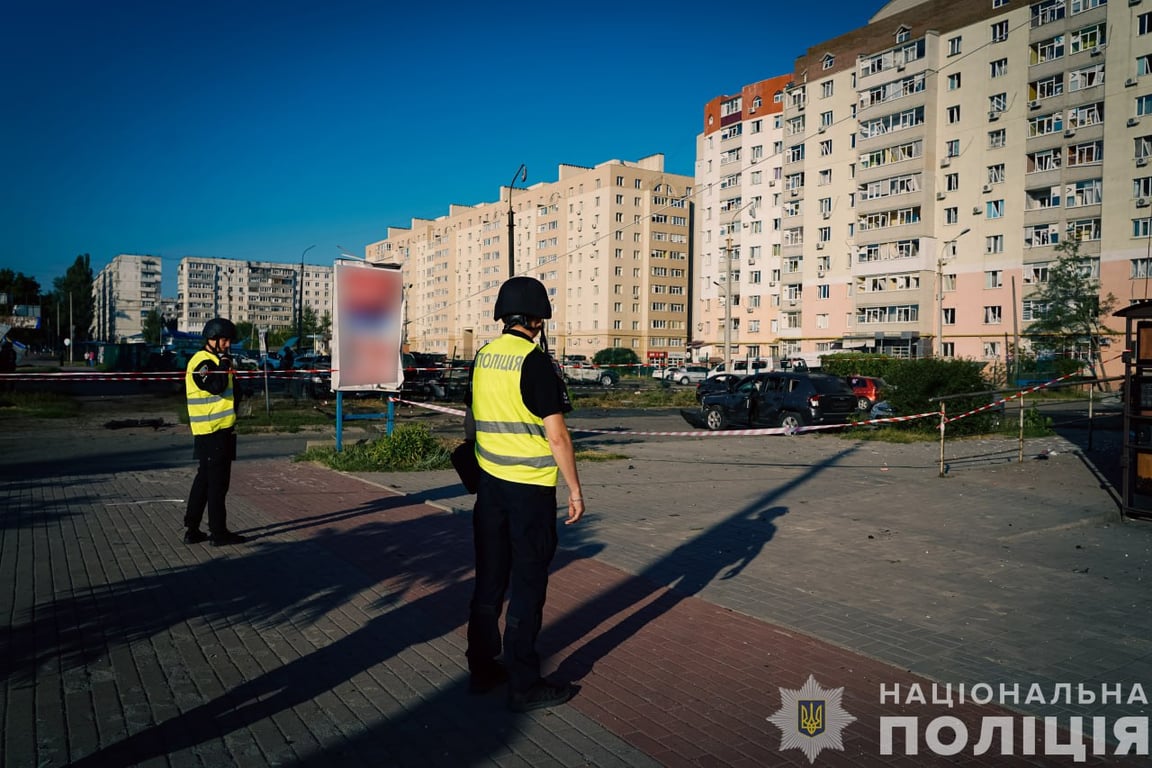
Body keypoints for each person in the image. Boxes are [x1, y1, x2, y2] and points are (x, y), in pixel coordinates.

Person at [465, 276, 585, 713]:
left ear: (503, 315)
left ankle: (482, 669)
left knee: (489, 582)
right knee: (528, 584)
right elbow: (557, 436)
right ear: (538, 319)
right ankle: (524, 682)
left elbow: (473, 417)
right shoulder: (534, 362)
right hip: (530, 492)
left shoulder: (483, 357)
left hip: (490, 487)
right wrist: (573, 489)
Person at [183, 318, 245, 546]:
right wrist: (225, 363)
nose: (228, 345)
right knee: (218, 485)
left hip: (221, 430)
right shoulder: (202, 362)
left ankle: (192, 529)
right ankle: (219, 533)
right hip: (212, 431)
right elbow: (216, 386)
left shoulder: (216, 361)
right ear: (213, 338)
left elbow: (232, 390)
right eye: (225, 340)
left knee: (204, 481)